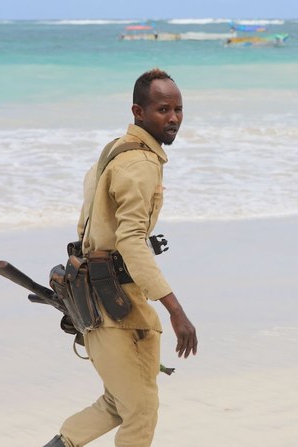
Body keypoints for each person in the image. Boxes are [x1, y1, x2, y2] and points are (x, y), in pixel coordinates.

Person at [44, 68, 198, 447]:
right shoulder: (140, 164)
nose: (174, 118)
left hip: (92, 301)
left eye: (179, 109)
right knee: (141, 411)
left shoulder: (113, 150)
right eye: (163, 109)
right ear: (138, 112)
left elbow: (90, 224)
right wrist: (175, 310)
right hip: (119, 308)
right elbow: (130, 241)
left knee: (120, 402)